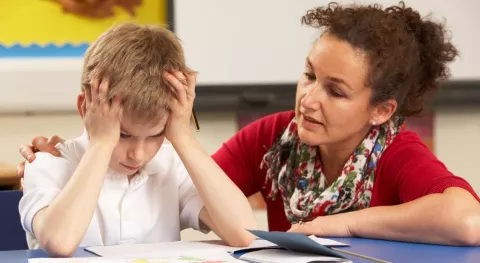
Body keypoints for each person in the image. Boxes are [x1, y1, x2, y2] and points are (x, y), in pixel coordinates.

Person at [17, 2, 480, 246]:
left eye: (335, 91)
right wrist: (97, 146)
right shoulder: (275, 137)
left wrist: (342, 225)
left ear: (381, 110)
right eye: (308, 75)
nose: (309, 99)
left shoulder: (396, 152)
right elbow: (211, 197)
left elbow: (467, 219)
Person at [17, 23, 256, 257]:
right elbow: (60, 242)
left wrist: (182, 135)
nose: (137, 154)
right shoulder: (47, 163)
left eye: (155, 135)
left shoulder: (171, 166)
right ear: (85, 108)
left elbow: (245, 235)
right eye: (123, 134)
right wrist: (102, 143)